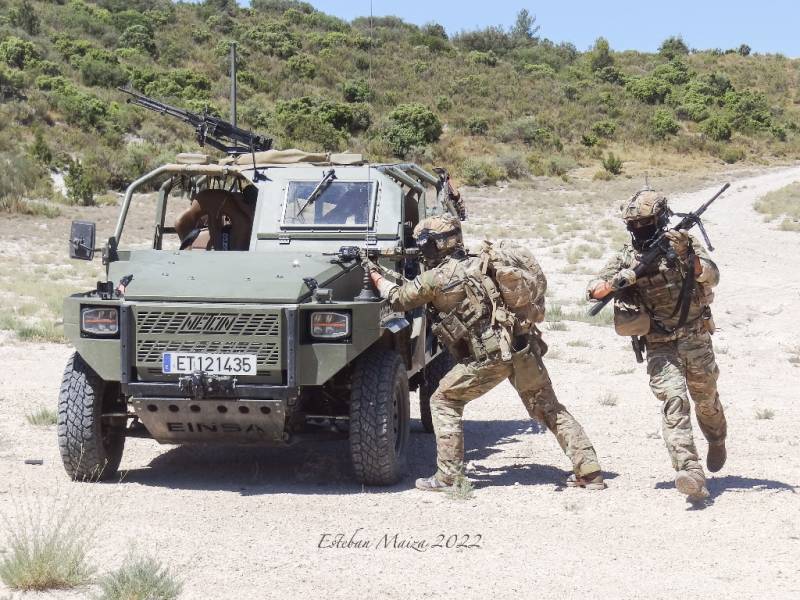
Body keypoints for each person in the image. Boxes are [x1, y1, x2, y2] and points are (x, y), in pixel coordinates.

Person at [368, 214, 605, 492]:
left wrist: (373, 273)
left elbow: (398, 299)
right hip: (521, 348)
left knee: (444, 401)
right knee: (549, 408)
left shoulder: (439, 276)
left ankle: (449, 478)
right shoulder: (482, 260)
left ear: (439, 245)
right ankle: (589, 470)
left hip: (489, 357)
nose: (424, 250)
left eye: (427, 244)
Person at [587, 189, 726, 503]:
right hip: (659, 343)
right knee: (674, 402)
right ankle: (690, 472)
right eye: (634, 224)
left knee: (706, 399)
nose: (639, 229)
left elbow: (712, 276)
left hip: (695, 337)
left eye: (645, 223)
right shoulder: (627, 257)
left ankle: (717, 437)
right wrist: (618, 281)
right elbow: (594, 291)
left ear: (661, 218)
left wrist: (686, 256)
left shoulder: (683, 244)